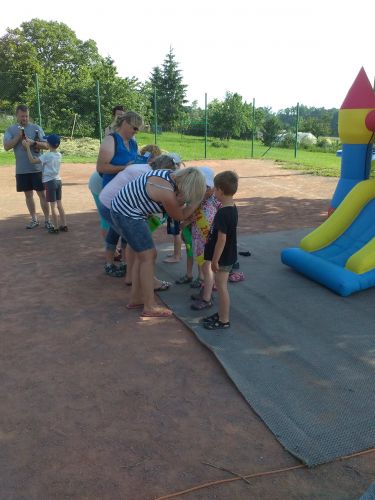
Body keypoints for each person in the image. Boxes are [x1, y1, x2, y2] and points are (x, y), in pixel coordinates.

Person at [110, 167, 206, 317]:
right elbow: (179, 215)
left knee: (141, 256)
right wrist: (196, 202)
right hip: (127, 214)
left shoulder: (168, 175)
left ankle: (136, 298)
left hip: (123, 210)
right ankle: (149, 306)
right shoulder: (166, 193)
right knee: (148, 256)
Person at [96, 111, 143, 277]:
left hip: (128, 196)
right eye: (134, 128)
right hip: (112, 192)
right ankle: (110, 264)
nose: (135, 132)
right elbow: (101, 168)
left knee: (118, 230)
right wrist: (126, 167)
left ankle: (124, 262)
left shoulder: (133, 144)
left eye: (138, 130)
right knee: (119, 229)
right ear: (125, 123)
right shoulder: (111, 140)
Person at [201, 171, 239, 330]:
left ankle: (224, 320)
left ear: (221, 190)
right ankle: (221, 314)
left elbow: (222, 239)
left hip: (223, 257)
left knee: (221, 286)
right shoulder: (231, 207)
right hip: (227, 255)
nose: (213, 192)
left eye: (215, 189)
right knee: (220, 284)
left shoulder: (224, 212)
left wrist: (215, 260)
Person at [3, 104, 51, 229]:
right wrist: (18, 137)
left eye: (26, 116)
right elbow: (6, 146)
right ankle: (34, 220)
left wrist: (33, 142)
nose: (24, 119)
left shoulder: (36, 128)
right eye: (22, 116)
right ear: (17, 116)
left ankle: (47, 220)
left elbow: (47, 146)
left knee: (42, 194)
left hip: (37, 169)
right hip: (22, 170)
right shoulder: (11, 130)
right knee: (28, 195)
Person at [188, 167, 221, 310]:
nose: (204, 191)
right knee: (201, 265)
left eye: (207, 188)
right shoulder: (195, 198)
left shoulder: (215, 198)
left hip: (209, 239)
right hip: (198, 238)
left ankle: (207, 298)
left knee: (207, 268)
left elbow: (226, 209)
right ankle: (205, 290)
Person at [23, 134, 67, 234]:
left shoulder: (47, 156)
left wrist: (28, 148)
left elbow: (32, 161)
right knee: (59, 204)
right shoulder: (59, 155)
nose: (45, 143)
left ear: (48, 144)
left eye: (47, 142)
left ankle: (55, 227)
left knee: (53, 206)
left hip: (50, 182)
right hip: (58, 181)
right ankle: (64, 225)